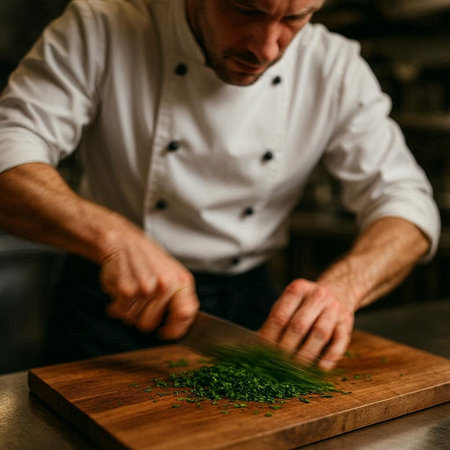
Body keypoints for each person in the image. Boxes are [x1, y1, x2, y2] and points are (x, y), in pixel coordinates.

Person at [0, 0, 440, 370]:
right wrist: (111, 236)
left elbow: (405, 201)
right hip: (110, 300)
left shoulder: (334, 65)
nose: (267, 48)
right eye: (246, 10)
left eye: (295, 19)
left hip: (253, 311)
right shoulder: (102, 26)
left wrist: (343, 288)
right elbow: (9, 149)